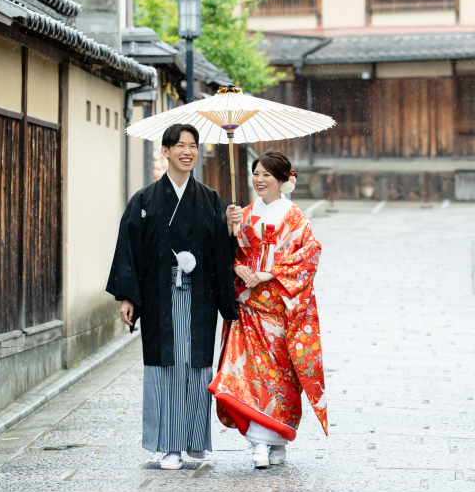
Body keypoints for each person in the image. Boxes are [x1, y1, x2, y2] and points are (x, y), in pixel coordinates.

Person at [107, 123, 239, 470]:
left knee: (196, 364)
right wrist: (128, 297)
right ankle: (168, 445)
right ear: (164, 151)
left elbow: (221, 253)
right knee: (165, 365)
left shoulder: (210, 199)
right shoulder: (145, 200)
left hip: (200, 296)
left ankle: (194, 441)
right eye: (180, 145)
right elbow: (129, 250)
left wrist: (229, 229)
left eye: (193, 146)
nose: (187, 151)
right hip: (159, 295)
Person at [209, 150, 327, 468]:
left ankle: (277, 439)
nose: (259, 181)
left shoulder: (295, 218)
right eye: (256, 174)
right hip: (249, 307)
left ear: (283, 180)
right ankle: (259, 442)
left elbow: (310, 254)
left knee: (281, 378)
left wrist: (269, 272)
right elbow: (228, 253)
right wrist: (236, 263)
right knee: (250, 374)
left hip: (280, 309)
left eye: (267, 176)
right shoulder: (244, 215)